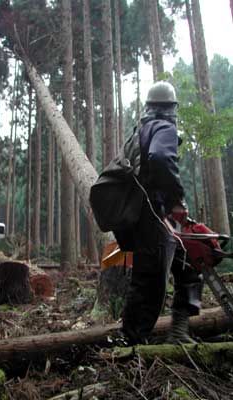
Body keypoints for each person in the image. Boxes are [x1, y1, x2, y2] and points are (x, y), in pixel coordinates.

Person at [121, 81, 203, 345]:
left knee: (188, 261)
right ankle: (132, 345)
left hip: (145, 214)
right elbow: (160, 159)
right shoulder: (164, 128)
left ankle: (178, 332)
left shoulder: (140, 131)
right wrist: (176, 201)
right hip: (154, 214)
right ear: (171, 108)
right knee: (149, 282)